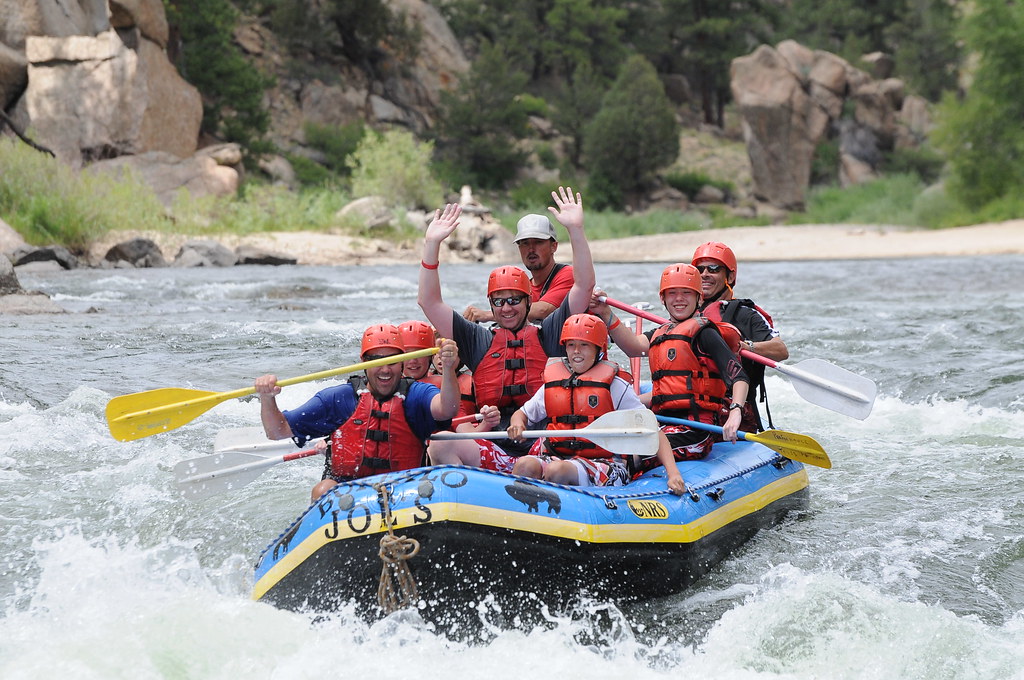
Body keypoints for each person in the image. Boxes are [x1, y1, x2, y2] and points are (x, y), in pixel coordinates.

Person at [418, 186, 596, 472]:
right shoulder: (476, 339)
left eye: (514, 300)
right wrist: (431, 245)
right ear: (491, 303)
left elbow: (583, 286)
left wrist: (576, 229)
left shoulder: (548, 333)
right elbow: (428, 301)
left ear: (528, 301)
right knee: (439, 443)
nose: (506, 308)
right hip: (493, 441)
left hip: (540, 442)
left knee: (526, 466)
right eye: (499, 302)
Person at [254, 323, 461, 501]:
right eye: (377, 361)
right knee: (323, 490)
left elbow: (447, 408)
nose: (385, 369)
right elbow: (277, 431)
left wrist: (449, 368)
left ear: (402, 363)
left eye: (392, 361)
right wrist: (267, 397)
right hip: (348, 493)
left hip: (404, 490)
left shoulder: (416, 394)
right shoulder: (338, 399)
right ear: (364, 363)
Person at [591, 263, 750, 471]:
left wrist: (736, 411)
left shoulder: (705, 333)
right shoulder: (661, 333)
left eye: (686, 293)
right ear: (662, 299)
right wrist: (606, 313)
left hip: (696, 431)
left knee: (631, 455)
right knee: (606, 446)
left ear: (699, 298)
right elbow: (633, 347)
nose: (679, 299)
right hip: (661, 423)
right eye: (672, 293)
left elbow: (739, 377)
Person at [507, 313, 685, 494]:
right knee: (524, 465)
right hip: (559, 457)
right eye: (571, 345)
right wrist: (517, 424)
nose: (576, 351)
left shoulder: (614, 386)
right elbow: (522, 414)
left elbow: (653, 431)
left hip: (607, 465)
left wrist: (673, 474)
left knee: (557, 471)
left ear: (598, 349)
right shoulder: (553, 384)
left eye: (584, 345)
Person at [691, 241, 788, 432]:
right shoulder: (686, 313)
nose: (704, 275)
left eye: (713, 268)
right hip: (695, 406)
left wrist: (745, 347)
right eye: (699, 269)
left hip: (737, 409)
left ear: (730, 275)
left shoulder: (746, 314)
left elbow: (780, 351)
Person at [463, 213, 574, 323]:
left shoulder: (569, 275)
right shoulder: (524, 288)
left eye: (538, 242)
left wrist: (487, 315)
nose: (531, 249)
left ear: (553, 246)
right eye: (525, 243)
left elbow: (543, 310)